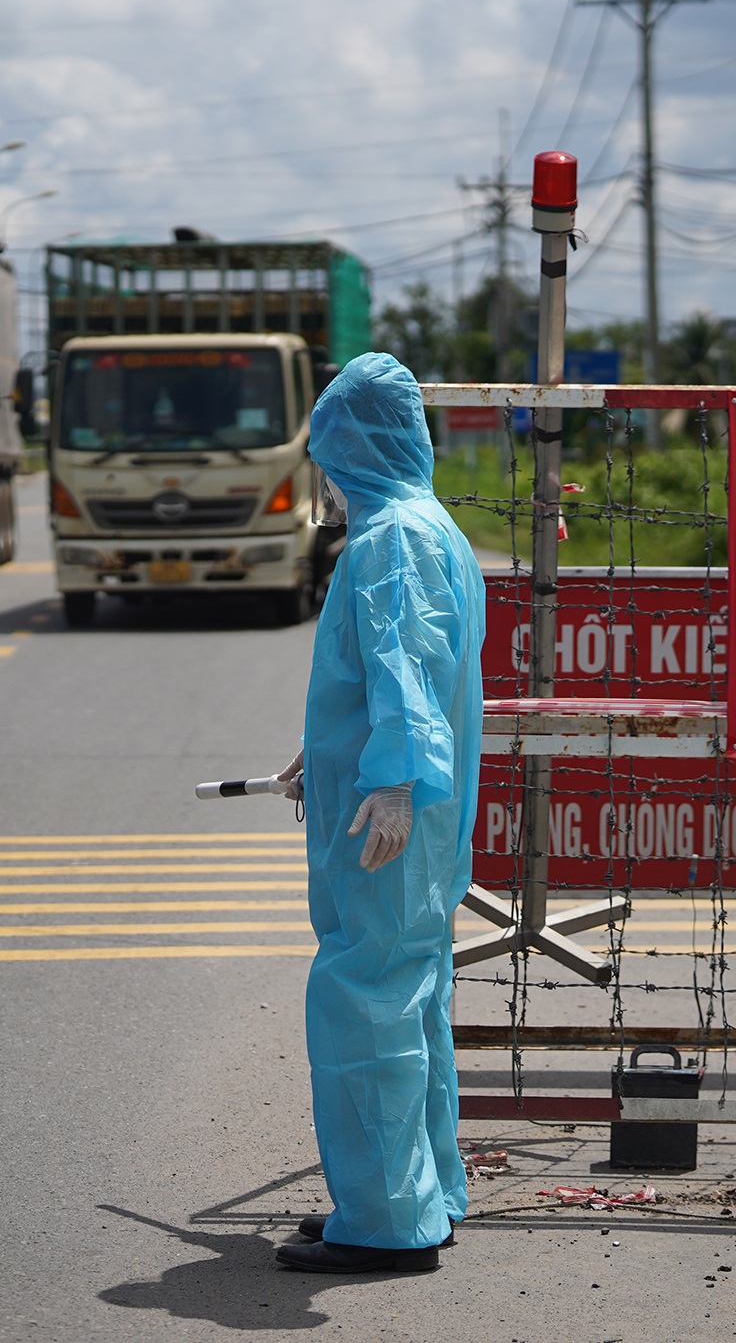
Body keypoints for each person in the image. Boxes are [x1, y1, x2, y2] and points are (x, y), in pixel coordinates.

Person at [270, 352, 485, 1274]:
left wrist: (391, 778)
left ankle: (389, 1220)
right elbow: (401, 679)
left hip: (392, 815)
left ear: (346, 444)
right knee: (416, 991)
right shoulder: (434, 525)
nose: (325, 475)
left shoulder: (389, 537)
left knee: (368, 1002)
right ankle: (419, 1190)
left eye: (328, 452)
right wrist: (324, 759)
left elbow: (406, 672)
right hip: (417, 814)